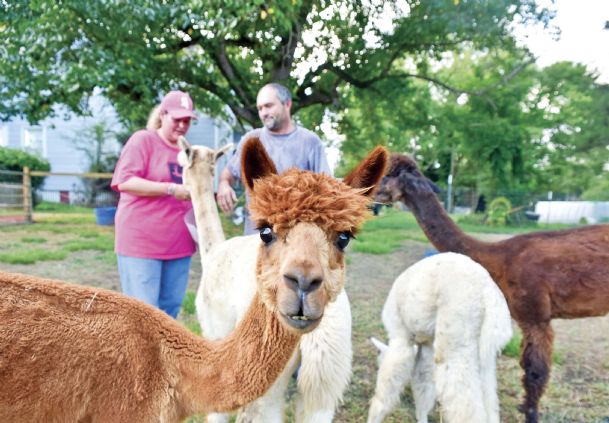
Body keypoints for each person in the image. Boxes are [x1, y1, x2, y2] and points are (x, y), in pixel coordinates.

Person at [111, 90, 196, 318]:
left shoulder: (187, 151)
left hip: (179, 244)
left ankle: (163, 356)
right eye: (176, 119)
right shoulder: (143, 140)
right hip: (142, 243)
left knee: (170, 313)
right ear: (163, 114)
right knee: (144, 315)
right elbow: (125, 181)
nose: (181, 125)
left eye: (186, 120)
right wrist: (169, 188)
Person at [216, 82, 332, 234]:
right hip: (255, 239)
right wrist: (224, 185)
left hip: (295, 240)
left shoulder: (310, 141)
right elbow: (228, 174)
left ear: (287, 104)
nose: (263, 112)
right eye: (260, 108)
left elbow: (327, 189)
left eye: (268, 106)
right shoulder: (250, 140)